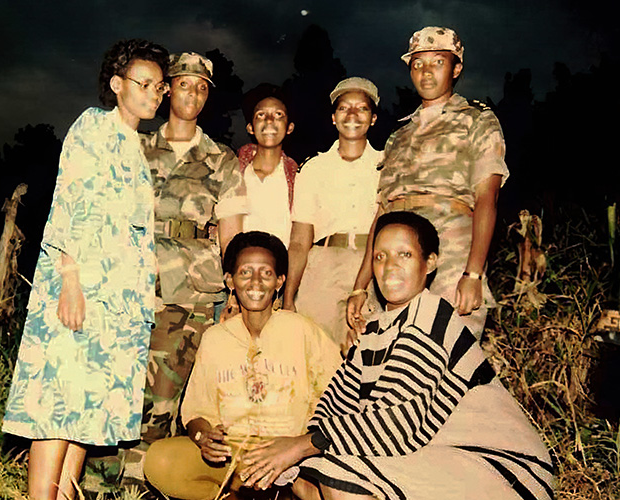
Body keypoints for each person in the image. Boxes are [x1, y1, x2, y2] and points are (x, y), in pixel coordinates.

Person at [236, 212, 554, 500]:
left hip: (507, 469)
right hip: (441, 459)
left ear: (430, 263)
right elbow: (335, 404)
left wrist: (301, 446)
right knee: (302, 475)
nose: (390, 266)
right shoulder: (375, 330)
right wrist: (288, 448)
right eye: (380, 256)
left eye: (405, 255)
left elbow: (397, 425)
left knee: (341, 476)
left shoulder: (432, 315)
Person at [0, 39, 169, 500]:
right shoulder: (94, 126)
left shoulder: (137, 148)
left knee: (88, 413)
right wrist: (70, 282)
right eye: (143, 84)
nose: (154, 94)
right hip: (79, 289)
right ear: (117, 85)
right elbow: (68, 204)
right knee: (56, 408)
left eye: (159, 87)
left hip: (117, 305)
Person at [120, 51, 247, 484]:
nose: (192, 93)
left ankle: (145, 484)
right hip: (131, 283)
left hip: (189, 293)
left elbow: (231, 233)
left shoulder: (221, 158)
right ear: (167, 89)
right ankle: (100, 484)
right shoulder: (136, 145)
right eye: (184, 84)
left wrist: (233, 294)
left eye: (201, 87)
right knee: (119, 386)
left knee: (164, 398)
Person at [143, 231, 342, 499]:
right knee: (160, 460)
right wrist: (204, 438)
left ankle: (281, 489)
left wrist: (299, 447)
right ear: (230, 280)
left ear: (280, 281)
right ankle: (236, 492)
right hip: (233, 457)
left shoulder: (303, 331)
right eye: (245, 272)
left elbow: (340, 399)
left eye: (266, 273)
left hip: (292, 457)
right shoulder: (215, 338)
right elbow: (196, 412)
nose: (255, 282)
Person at [347, 26, 508, 340]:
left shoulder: (477, 119)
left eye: (438, 62)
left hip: (450, 253)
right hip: (396, 256)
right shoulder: (398, 136)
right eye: (418, 64)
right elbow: (382, 213)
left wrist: (473, 273)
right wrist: (360, 286)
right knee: (391, 352)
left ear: (456, 69)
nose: (426, 71)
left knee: (448, 349)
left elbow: (487, 198)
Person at [282, 77, 383, 349]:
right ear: (333, 117)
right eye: (344, 108)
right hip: (323, 267)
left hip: (372, 265)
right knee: (317, 351)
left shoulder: (387, 165)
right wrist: (288, 298)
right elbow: (300, 241)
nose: (352, 115)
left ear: (373, 118)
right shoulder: (313, 168)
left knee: (366, 352)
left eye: (362, 108)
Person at [237, 83, 299, 248]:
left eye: (278, 114)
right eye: (261, 115)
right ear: (250, 127)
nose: (269, 120)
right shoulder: (232, 172)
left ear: (289, 127)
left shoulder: (299, 179)